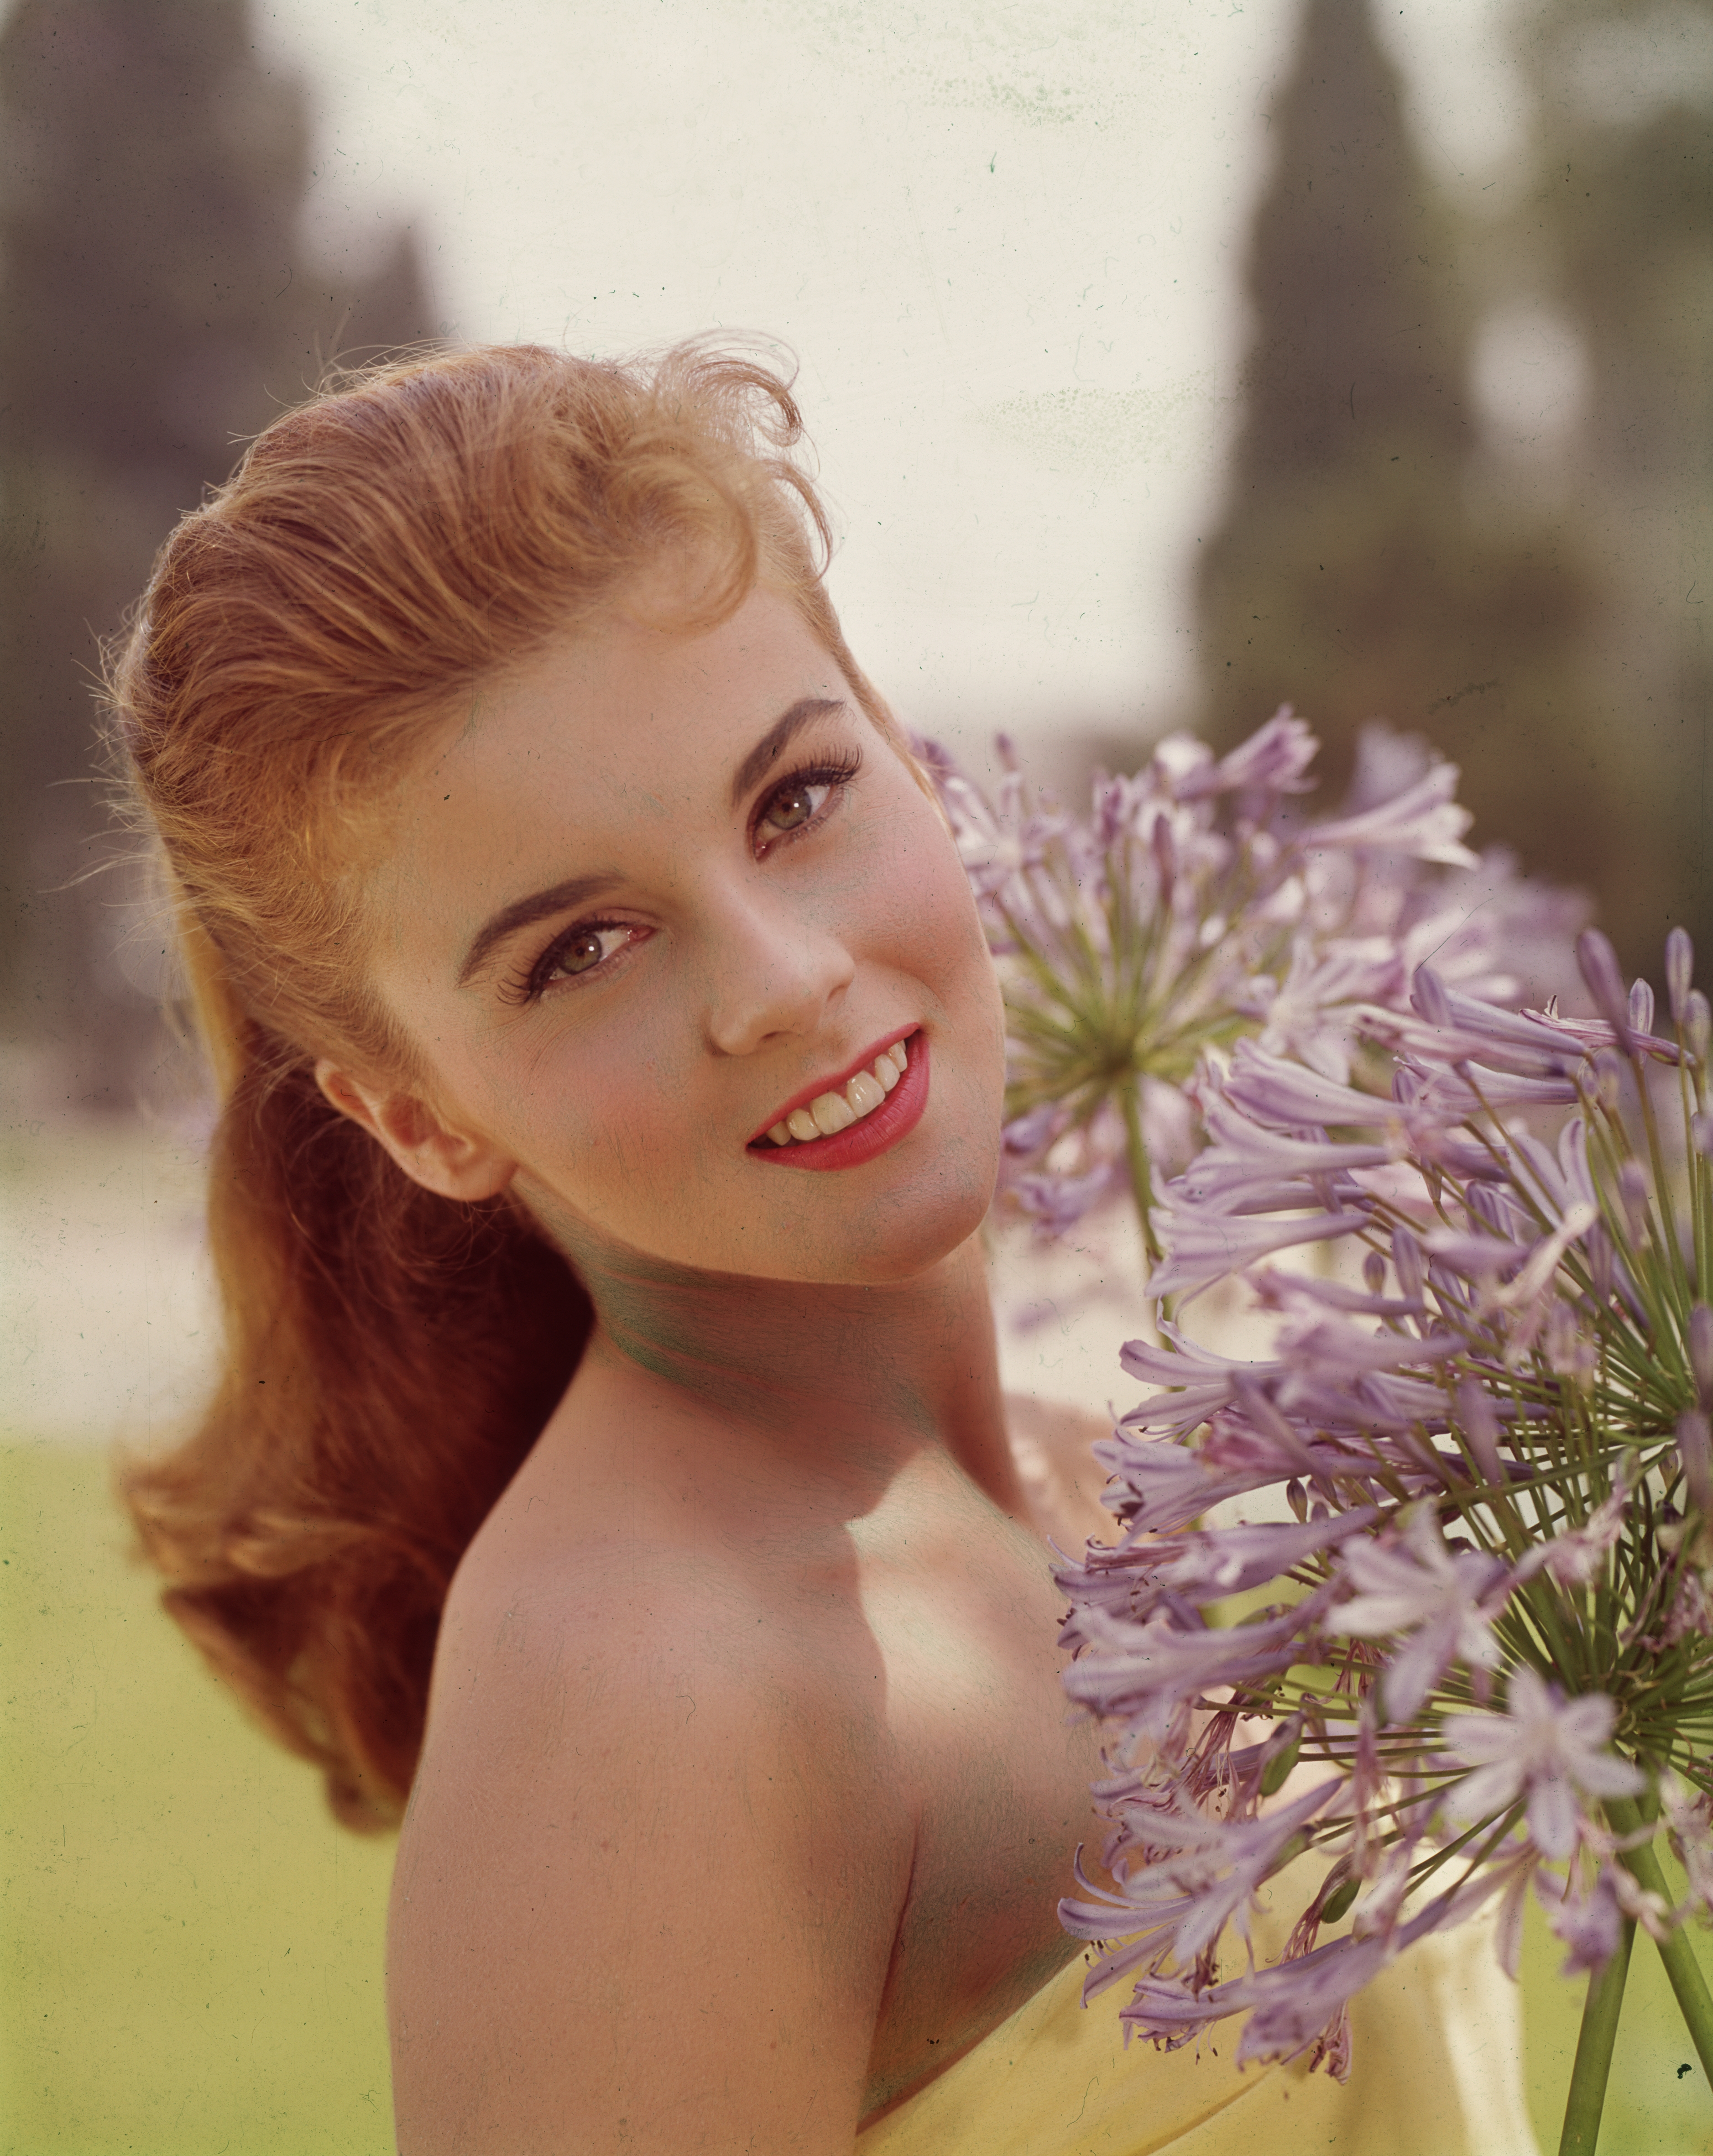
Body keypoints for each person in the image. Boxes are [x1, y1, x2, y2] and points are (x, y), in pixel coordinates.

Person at [110, 341, 1521, 2155]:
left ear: (911, 749)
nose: (783, 980)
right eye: (582, 951)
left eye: (795, 798)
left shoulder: (1125, 1489)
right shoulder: (650, 1689)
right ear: (420, 1117)